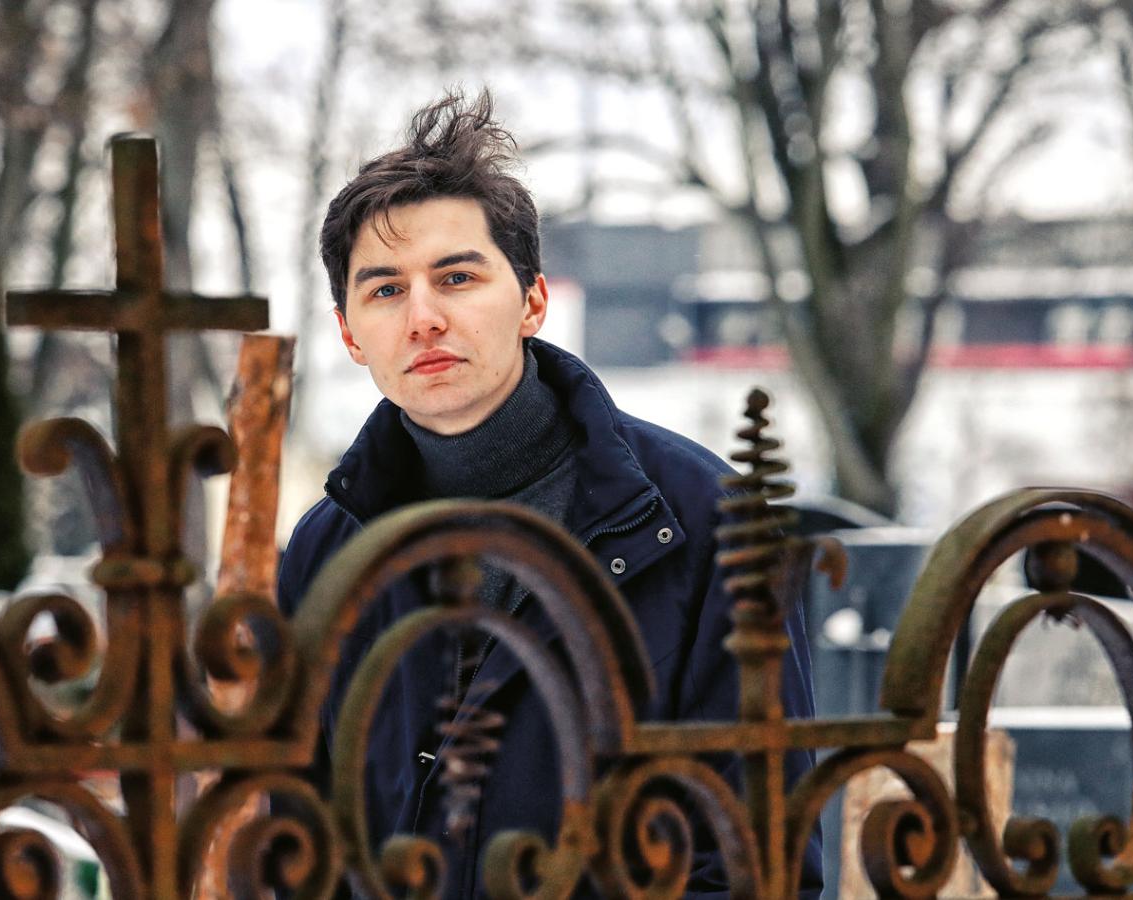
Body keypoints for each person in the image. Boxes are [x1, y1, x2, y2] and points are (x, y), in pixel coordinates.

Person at [277, 89, 822, 898]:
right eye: (385, 290)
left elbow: (756, 864)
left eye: (457, 277)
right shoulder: (325, 550)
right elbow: (300, 849)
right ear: (350, 333)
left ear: (532, 300)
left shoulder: (704, 522)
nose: (423, 318)